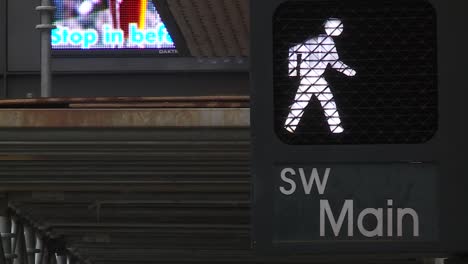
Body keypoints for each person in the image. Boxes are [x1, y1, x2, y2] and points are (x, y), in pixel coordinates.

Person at [285, 18, 356, 134]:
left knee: (302, 102)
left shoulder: (317, 40)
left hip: (310, 76)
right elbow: (335, 62)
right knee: (326, 101)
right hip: (313, 77)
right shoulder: (318, 41)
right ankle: (335, 128)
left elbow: (333, 61)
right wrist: (293, 71)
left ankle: (290, 126)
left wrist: (293, 71)